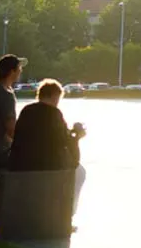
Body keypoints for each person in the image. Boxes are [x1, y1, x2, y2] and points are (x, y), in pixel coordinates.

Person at [9, 80, 86, 216]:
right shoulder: (54, 113)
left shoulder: (26, 111)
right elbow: (64, 142)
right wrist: (77, 136)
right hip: (44, 166)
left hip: (20, 163)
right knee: (79, 172)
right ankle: (67, 216)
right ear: (54, 96)